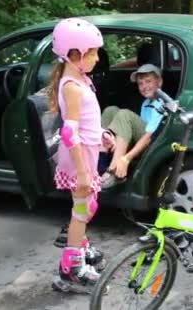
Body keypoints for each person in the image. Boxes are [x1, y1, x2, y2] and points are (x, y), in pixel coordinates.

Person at [47, 17, 110, 293]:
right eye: (93, 53)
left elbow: (86, 121)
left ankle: (78, 246)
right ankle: (71, 269)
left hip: (87, 151)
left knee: (87, 206)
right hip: (78, 159)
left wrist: (102, 134)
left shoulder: (80, 78)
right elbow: (70, 132)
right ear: (74, 55)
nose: (97, 58)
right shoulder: (71, 86)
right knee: (81, 210)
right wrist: (83, 172)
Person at [99, 63, 166, 188]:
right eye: (140, 83)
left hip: (152, 145)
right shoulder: (146, 102)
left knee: (125, 114)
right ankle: (101, 161)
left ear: (159, 82)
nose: (144, 86)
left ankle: (114, 171)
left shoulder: (160, 104)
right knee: (110, 110)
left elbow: (148, 137)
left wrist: (126, 159)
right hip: (140, 139)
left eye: (148, 81)